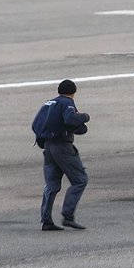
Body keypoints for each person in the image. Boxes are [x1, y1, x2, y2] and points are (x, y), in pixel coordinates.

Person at [32, 79, 91, 231]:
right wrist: (84, 117)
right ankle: (68, 215)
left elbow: (38, 123)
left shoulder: (49, 103)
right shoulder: (67, 103)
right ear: (73, 92)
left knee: (52, 185)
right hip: (62, 147)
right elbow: (70, 119)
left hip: (48, 146)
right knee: (80, 180)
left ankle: (46, 220)